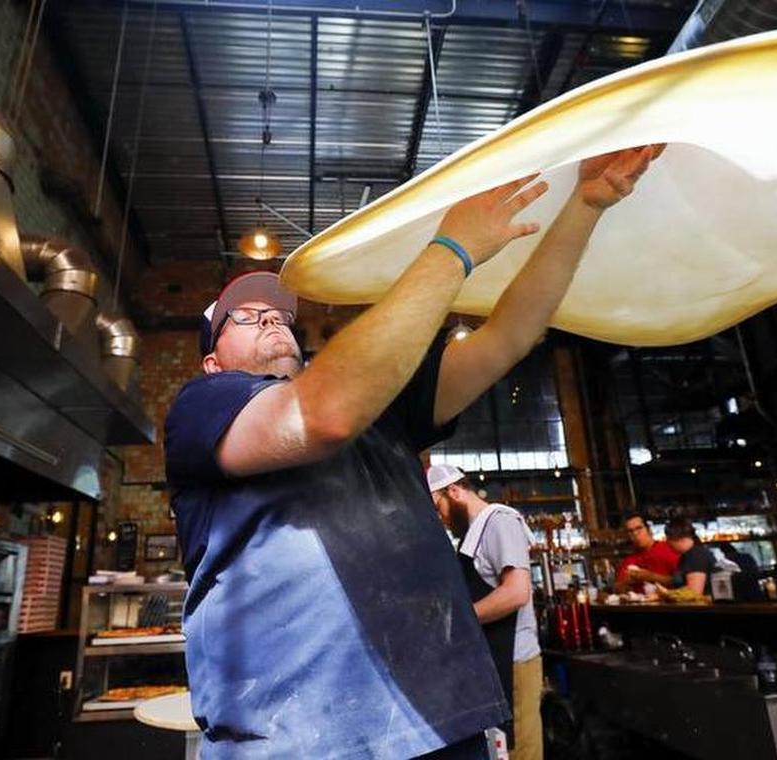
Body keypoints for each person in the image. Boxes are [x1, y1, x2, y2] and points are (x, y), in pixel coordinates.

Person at [163, 146, 661, 759]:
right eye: (246, 316)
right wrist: (452, 251)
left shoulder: (381, 408)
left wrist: (585, 207)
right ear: (213, 359)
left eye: (280, 314)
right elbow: (321, 415)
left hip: (439, 723)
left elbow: (510, 336)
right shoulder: (205, 406)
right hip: (296, 740)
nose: (272, 320)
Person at [427, 464, 543, 760]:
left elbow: (516, 592)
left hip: (515, 660)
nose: (439, 517)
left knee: (520, 752)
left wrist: (457, 621)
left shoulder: (499, 521)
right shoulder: (472, 535)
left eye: (437, 505)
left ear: (453, 491)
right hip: (493, 661)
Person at [614, 513, 681, 593]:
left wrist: (651, 577)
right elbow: (617, 588)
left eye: (639, 528)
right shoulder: (629, 560)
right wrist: (626, 583)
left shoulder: (668, 549)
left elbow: (681, 581)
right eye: (630, 531)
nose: (635, 534)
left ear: (649, 529)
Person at [664, 516, 716, 595]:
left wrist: (665, 594)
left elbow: (694, 593)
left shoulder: (696, 555)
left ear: (676, 537)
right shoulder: (688, 555)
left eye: (668, 539)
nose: (667, 543)